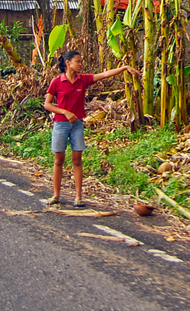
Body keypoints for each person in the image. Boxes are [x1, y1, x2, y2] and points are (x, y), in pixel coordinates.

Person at [44, 50, 140, 207]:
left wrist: (123, 68)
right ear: (68, 63)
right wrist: (65, 112)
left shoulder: (83, 80)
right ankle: (56, 195)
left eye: (81, 61)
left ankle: (78, 196)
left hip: (77, 125)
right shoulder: (57, 82)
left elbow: (104, 75)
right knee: (58, 160)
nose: (81, 64)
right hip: (61, 124)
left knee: (77, 160)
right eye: (78, 61)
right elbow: (47, 104)